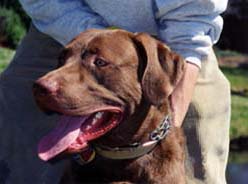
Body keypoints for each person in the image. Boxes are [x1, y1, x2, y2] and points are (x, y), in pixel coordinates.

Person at [0, 0, 230, 183]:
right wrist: (102, 40)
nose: (47, 81)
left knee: (201, 163)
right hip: (62, 19)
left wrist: (167, 129)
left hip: (182, 29)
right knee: (17, 137)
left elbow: (194, 16)